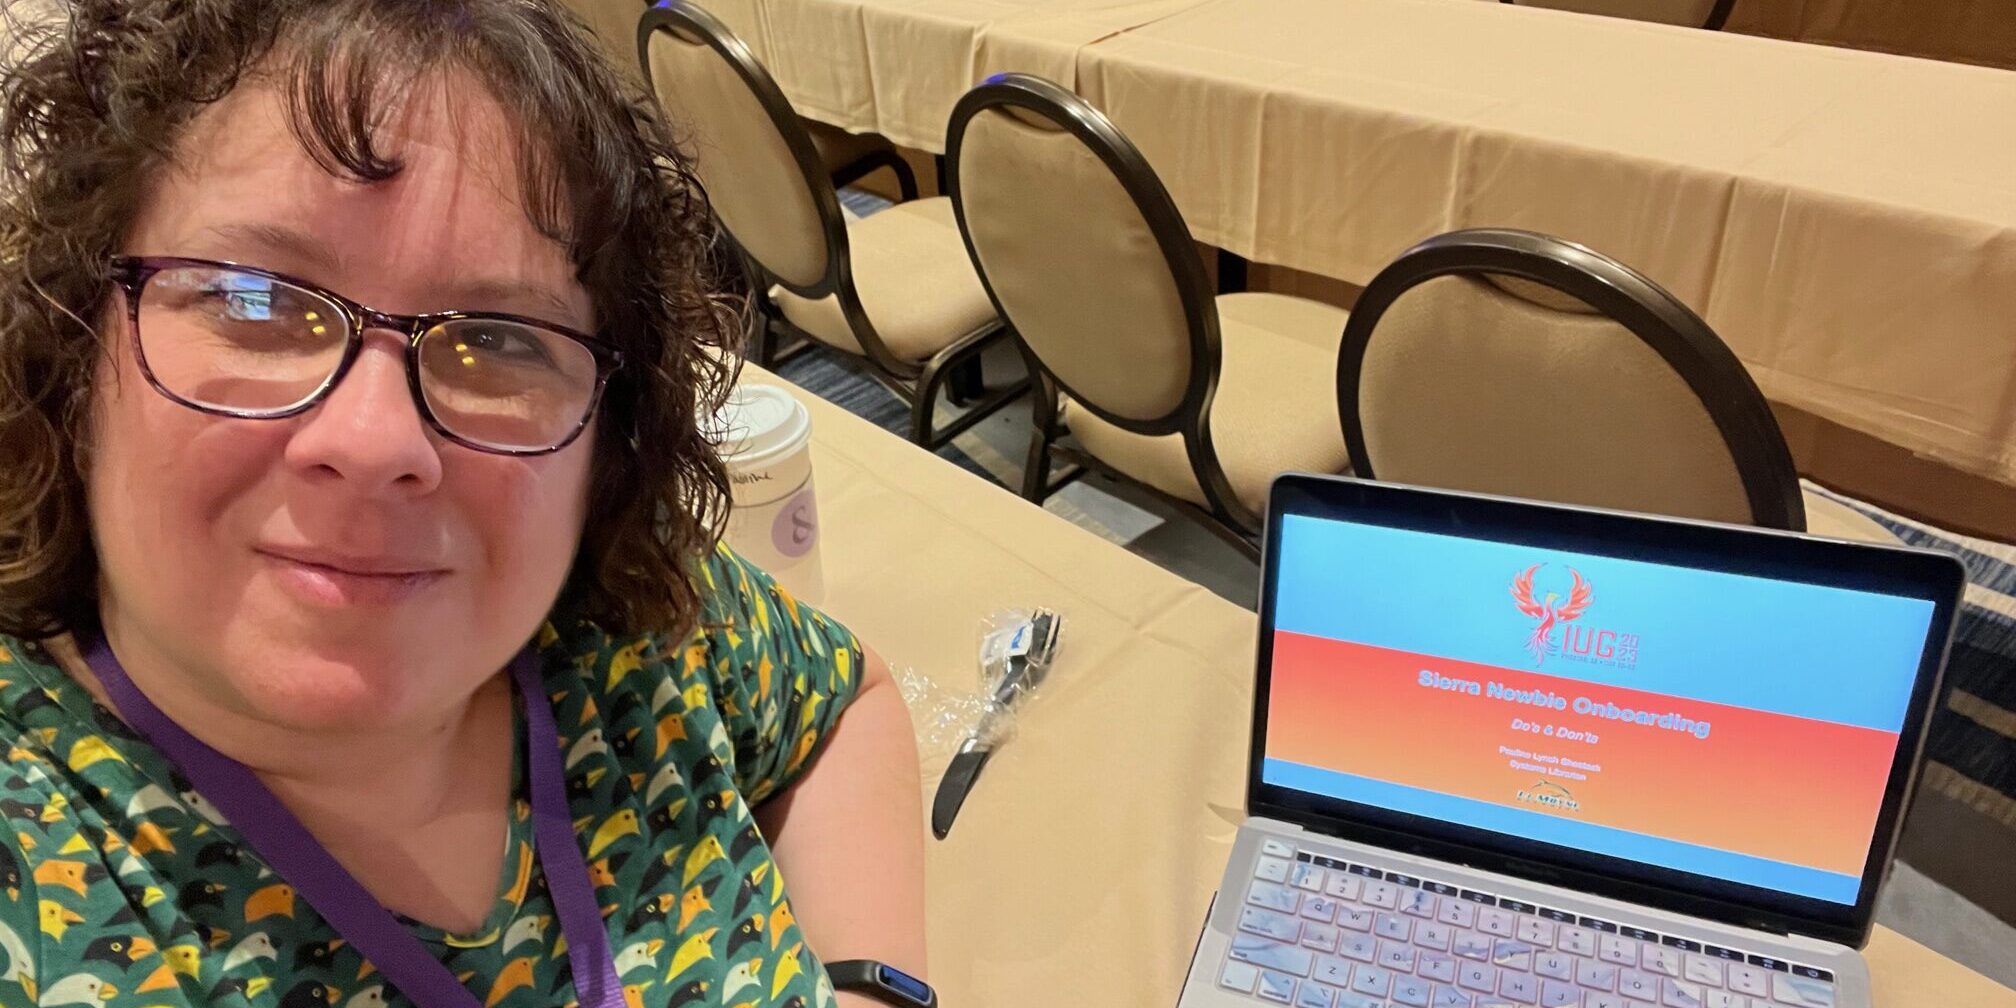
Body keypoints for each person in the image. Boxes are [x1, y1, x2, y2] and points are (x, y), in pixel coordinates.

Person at [0, 1, 926, 1006]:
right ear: (73, 342)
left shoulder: (625, 617)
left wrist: (873, 986)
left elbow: (844, 703)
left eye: (499, 339)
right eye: (253, 300)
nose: (373, 441)